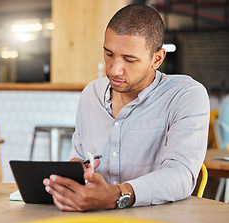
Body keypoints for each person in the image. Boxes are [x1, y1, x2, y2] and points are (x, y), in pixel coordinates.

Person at [43, 4, 210, 211]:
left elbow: (181, 175)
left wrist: (116, 195)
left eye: (129, 59)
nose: (114, 70)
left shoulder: (186, 95)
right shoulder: (91, 94)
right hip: (95, 219)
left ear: (157, 59)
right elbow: (78, 156)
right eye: (109, 54)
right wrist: (78, 170)